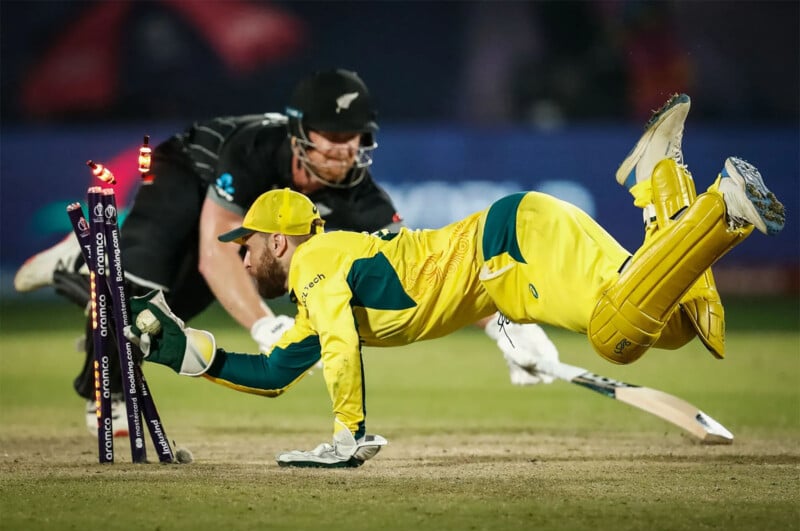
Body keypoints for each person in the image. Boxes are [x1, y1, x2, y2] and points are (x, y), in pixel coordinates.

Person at [123, 119, 785, 468]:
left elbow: (342, 348)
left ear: (278, 242)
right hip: (514, 263)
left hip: (516, 243)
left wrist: (348, 433)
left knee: (616, 335)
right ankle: (663, 184)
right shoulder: (319, 280)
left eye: (247, 244)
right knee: (662, 326)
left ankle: (719, 207)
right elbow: (273, 372)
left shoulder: (317, 261)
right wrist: (181, 350)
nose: (239, 254)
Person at [13, 68, 560, 436]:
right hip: (188, 173)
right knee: (145, 275)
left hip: (236, 230)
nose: (345, 151)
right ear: (301, 132)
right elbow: (212, 252)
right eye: (333, 136)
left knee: (164, 311)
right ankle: (104, 381)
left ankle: (82, 270)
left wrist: (501, 325)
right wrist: (263, 328)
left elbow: (419, 274)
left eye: (355, 138)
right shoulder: (255, 149)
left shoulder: (359, 196)